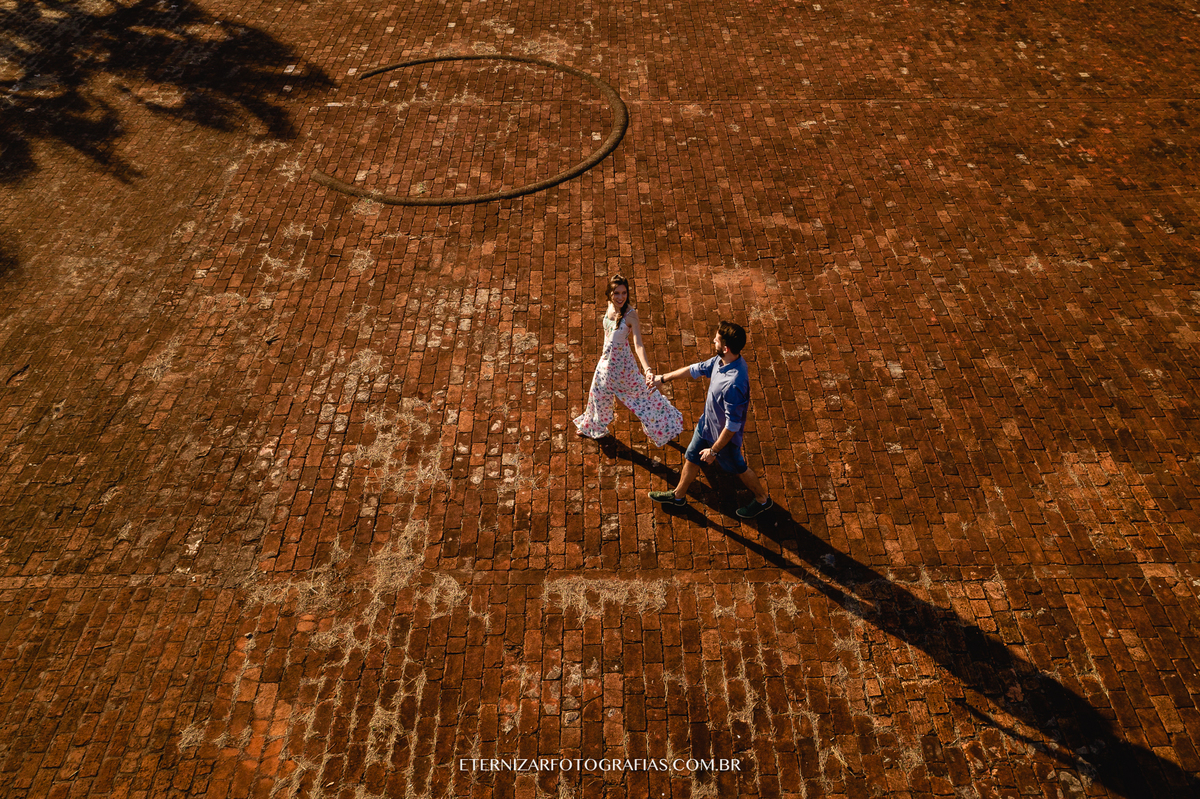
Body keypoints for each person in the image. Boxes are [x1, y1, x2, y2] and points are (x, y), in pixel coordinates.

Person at [646, 321, 773, 518]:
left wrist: (714, 450)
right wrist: (662, 378)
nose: (713, 340)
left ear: (726, 347)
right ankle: (678, 496)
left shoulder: (734, 384)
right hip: (706, 425)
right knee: (691, 455)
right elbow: (694, 369)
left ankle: (762, 499)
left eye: (717, 339)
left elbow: (732, 426)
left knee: (739, 467)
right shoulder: (720, 361)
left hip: (723, 441)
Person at [573, 275, 684, 447]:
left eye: (624, 293)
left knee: (642, 398)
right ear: (609, 294)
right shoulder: (610, 305)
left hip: (624, 369)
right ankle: (592, 426)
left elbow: (638, 344)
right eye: (616, 293)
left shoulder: (631, 315)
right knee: (597, 395)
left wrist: (647, 370)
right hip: (605, 364)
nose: (620, 297)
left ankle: (667, 424)